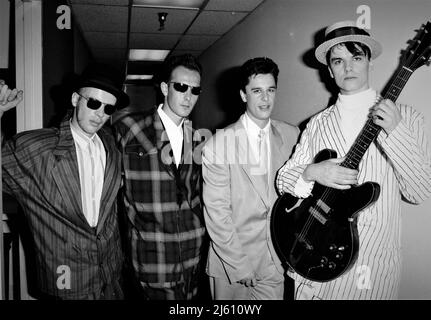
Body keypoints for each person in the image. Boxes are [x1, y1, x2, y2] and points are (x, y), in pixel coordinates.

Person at [276, 20, 431, 300]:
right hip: (312, 266)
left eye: (356, 57)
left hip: (370, 271)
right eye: (338, 60)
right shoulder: (317, 124)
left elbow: (421, 191)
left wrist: (394, 132)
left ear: (370, 62)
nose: (348, 67)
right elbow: (283, 179)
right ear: (329, 70)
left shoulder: (406, 118)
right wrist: (311, 172)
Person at [0, 64, 129, 299]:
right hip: (66, 282)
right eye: (93, 103)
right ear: (75, 99)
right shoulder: (37, 148)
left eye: (108, 108)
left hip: (111, 279)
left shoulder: (112, 146)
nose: (100, 113)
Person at [202, 57, 299, 299]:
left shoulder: (292, 134)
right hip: (232, 264)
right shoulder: (218, 145)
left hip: (275, 261)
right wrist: (239, 265)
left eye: (270, 90)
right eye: (257, 91)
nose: (265, 99)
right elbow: (217, 213)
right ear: (244, 95)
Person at [114, 54, 206, 300]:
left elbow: (194, 194)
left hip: (191, 255)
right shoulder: (130, 128)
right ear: (165, 88)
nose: (188, 96)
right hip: (151, 256)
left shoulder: (196, 137)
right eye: (181, 87)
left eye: (195, 90)